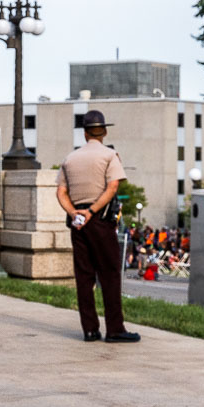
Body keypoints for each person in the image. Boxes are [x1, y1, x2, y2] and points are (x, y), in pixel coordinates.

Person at [54, 111, 139, 342]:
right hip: (100, 218)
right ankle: (115, 329)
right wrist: (92, 212)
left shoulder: (70, 158)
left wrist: (74, 213)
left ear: (85, 133)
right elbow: (112, 188)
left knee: (84, 276)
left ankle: (90, 329)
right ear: (105, 132)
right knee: (110, 274)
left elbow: (60, 191)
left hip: (78, 222)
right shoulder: (110, 155)